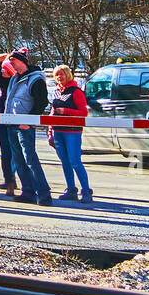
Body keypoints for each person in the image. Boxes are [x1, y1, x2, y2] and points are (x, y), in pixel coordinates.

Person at [0, 49, 52, 206]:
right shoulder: (14, 78)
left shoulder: (35, 79)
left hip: (24, 126)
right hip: (11, 124)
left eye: (13, 61)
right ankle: (28, 192)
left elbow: (41, 102)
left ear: (21, 61)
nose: (11, 64)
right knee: (18, 159)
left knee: (30, 159)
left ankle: (44, 194)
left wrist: (28, 121)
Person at [48, 64, 92, 204]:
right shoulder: (55, 91)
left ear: (68, 75)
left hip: (72, 131)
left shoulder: (76, 92)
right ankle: (71, 189)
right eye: (57, 75)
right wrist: (50, 131)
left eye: (62, 74)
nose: (60, 77)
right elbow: (52, 112)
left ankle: (86, 191)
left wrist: (66, 111)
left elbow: (84, 113)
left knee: (75, 161)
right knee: (65, 162)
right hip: (57, 131)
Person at [0, 58, 17, 196]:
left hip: (13, 124)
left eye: (5, 70)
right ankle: (9, 180)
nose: (2, 72)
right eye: (1, 70)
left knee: (15, 153)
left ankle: (13, 182)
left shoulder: (12, 84)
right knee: (5, 153)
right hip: (0, 124)